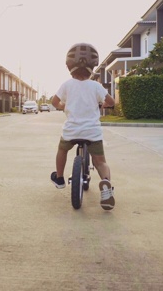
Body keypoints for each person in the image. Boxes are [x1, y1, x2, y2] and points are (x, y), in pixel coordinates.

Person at [50, 42, 116, 210]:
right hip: (92, 132)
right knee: (100, 161)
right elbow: (111, 102)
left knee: (62, 150)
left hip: (71, 131)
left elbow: (54, 102)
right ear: (93, 66)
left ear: (69, 66)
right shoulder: (96, 86)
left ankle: (59, 178)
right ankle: (106, 184)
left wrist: (64, 106)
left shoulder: (67, 85)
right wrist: (103, 105)